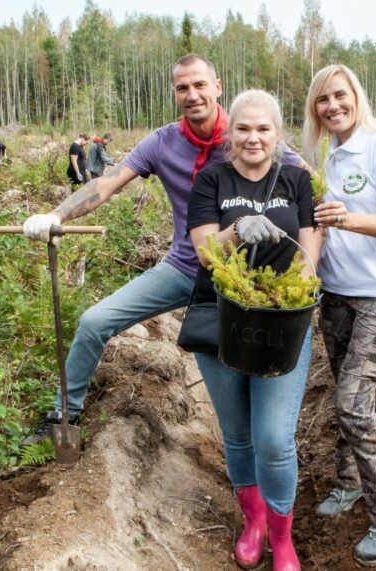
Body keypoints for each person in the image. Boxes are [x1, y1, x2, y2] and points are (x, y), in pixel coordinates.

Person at [19, 55, 304, 443]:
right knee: (94, 321)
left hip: (249, 281)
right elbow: (108, 182)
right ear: (175, 93)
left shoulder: (245, 133)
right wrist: (56, 213)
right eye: (183, 88)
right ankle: (62, 416)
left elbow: (307, 185)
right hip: (187, 269)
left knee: (259, 381)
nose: (193, 95)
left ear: (217, 86)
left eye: (200, 85)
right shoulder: (162, 142)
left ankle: (268, 452)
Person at [186, 89, 321, 571]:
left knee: (273, 438)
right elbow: (206, 252)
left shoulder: (298, 180)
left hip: (281, 325)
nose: (253, 138)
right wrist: (239, 227)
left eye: (263, 129)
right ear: (230, 134)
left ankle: (283, 538)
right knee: (238, 433)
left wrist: (280, 302)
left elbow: (309, 258)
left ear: (277, 134)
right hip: (222, 318)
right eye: (243, 128)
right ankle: (255, 521)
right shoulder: (211, 179)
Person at [303, 64, 376, 566]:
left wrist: (348, 218)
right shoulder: (326, 154)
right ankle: (350, 483)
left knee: (354, 401)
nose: (332, 106)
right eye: (322, 100)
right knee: (343, 392)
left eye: (339, 95)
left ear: (356, 96)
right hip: (337, 293)